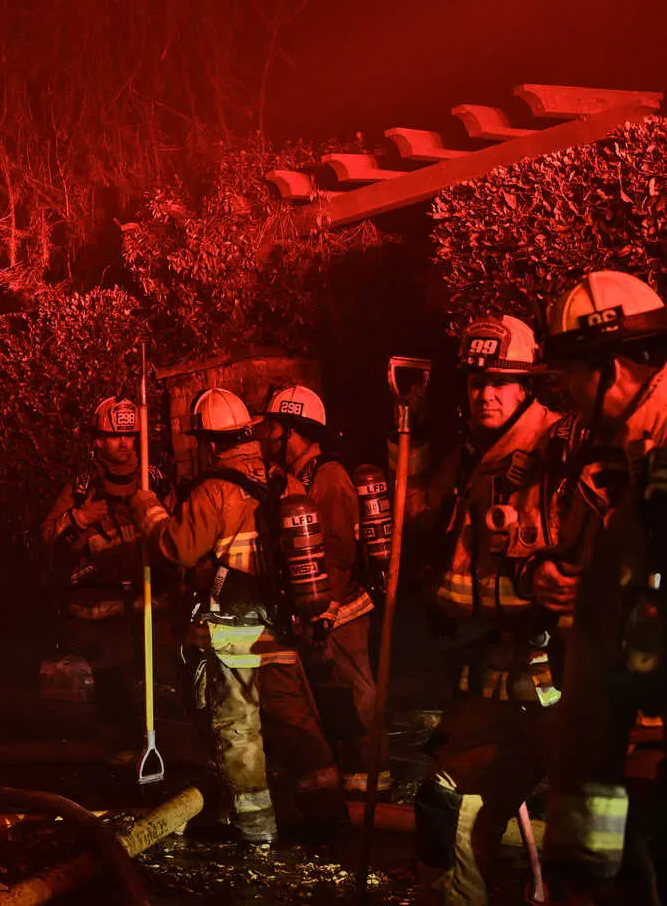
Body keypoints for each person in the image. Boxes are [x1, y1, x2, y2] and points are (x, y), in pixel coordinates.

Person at [403, 315, 578, 906]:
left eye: (501, 380)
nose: (486, 393)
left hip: (563, 682)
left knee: (602, 840)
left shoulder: (561, 452)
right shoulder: (468, 462)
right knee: (444, 802)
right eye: (477, 379)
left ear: (527, 385)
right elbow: (418, 520)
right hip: (494, 680)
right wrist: (412, 432)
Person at [131, 388, 344, 844]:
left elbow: (176, 547)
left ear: (208, 442)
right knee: (296, 723)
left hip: (231, 636)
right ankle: (330, 819)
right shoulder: (281, 478)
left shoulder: (214, 490)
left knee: (239, 737)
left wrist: (146, 509)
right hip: (279, 629)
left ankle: (257, 835)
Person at [533, 271, 667, 903]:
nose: (561, 389)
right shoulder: (625, 449)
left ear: (611, 367)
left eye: (570, 372)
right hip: (619, 735)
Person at [261, 385, 385, 799]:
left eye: (274, 428)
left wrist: (325, 607)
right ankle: (349, 782)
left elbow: (339, 549)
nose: (268, 436)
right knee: (332, 698)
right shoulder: (295, 477)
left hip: (341, 610)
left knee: (354, 696)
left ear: (293, 430)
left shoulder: (329, 477)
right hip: (316, 611)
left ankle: (370, 785)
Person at [40, 396, 169, 727]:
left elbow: (177, 539)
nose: (125, 443)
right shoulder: (82, 489)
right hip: (101, 614)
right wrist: (78, 519)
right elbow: (48, 541)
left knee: (162, 687)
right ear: (98, 441)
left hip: (152, 609)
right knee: (113, 689)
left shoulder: (155, 483)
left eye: (130, 435)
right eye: (116, 436)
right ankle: (122, 752)